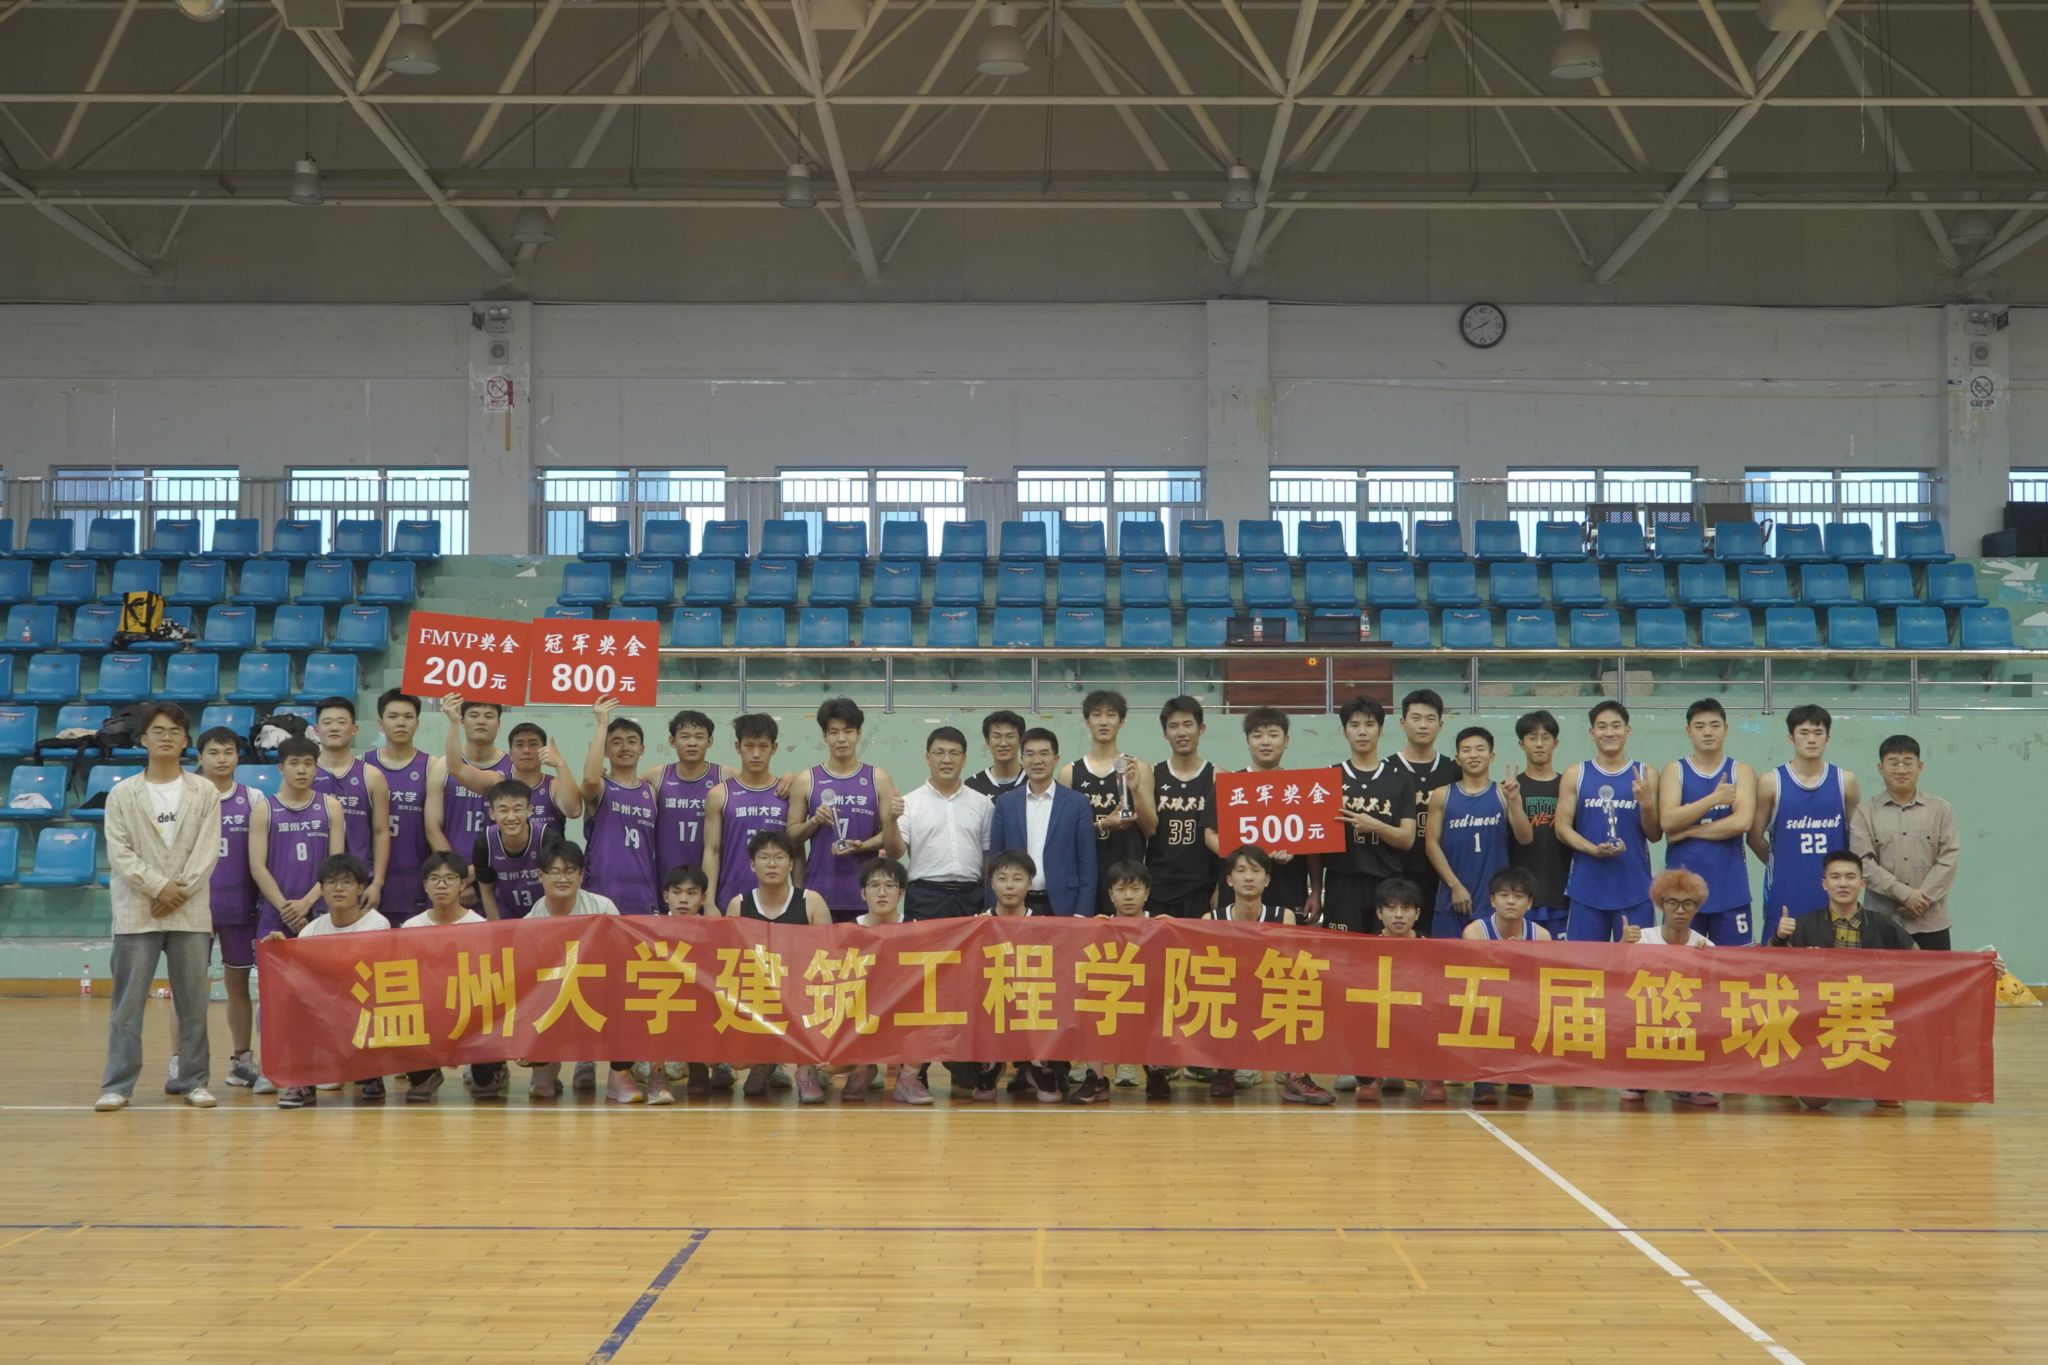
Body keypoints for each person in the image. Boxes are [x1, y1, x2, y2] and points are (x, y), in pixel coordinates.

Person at [96, 702, 223, 1114]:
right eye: (158, 731)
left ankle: (194, 1081)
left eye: (174, 731)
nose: (166, 737)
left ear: (185, 741)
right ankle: (117, 1085)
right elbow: (120, 853)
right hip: (137, 911)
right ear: (143, 739)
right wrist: (159, 887)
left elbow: (207, 851)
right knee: (127, 1007)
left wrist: (177, 891)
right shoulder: (122, 793)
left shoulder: (204, 791)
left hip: (190, 911)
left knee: (193, 1005)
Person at [1769, 849, 1915, 1112]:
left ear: (1863, 884)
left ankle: (1876, 1077)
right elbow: (1769, 971)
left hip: (1871, 1022)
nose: (1843, 883)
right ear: (1824, 884)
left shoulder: (1883, 926)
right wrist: (1779, 939)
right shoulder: (1803, 925)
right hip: (1821, 1024)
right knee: (1814, 1101)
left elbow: (1924, 965)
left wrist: (1982, 968)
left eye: (1850, 877)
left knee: (1890, 1100)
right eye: (1835, 877)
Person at [1208, 847, 1333, 1106]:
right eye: (1241, 871)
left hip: (1269, 992)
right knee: (1213, 993)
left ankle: (1296, 1076)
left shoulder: (1283, 916)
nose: (1248, 877)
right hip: (1230, 994)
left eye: (1255, 871)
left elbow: (1288, 967)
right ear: (1229, 879)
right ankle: (1225, 1066)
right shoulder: (1212, 920)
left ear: (1267, 880)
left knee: (1297, 993)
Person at [519, 841, 642, 1103]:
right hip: (553, 998)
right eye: (554, 872)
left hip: (598, 992)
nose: (562, 879)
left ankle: (619, 1076)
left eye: (570, 871)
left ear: (581, 874)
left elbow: (622, 958)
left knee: (632, 995)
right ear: (540, 876)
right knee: (529, 1003)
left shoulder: (603, 908)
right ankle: (544, 1070)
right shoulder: (530, 922)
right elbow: (526, 981)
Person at [269, 854, 389, 1110]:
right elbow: (299, 976)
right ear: (321, 890)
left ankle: (371, 1072)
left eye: (347, 882)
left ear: (360, 888)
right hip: (324, 1004)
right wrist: (283, 951)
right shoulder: (311, 930)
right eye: (331, 882)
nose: (338, 889)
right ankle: (302, 1081)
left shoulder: (377, 923)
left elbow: (365, 972)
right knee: (286, 1003)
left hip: (363, 1003)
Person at [726, 830, 835, 1105]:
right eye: (764, 857)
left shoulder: (811, 901)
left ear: (791, 863)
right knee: (735, 1060)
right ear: (752, 864)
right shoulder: (738, 905)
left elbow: (828, 959)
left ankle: (806, 1070)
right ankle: (766, 1060)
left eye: (779, 857)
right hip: (757, 995)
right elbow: (731, 963)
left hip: (804, 993)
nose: (772, 864)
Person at [787, 697, 903, 923]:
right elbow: (791, 836)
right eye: (834, 732)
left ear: (859, 733)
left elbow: (891, 842)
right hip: (819, 891)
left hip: (866, 894)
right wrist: (814, 821)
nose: (841, 739)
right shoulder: (807, 779)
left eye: (848, 731)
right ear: (825, 736)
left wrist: (863, 846)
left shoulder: (878, 778)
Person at [1557, 701, 1661, 943]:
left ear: (1628, 730)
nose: (1609, 732)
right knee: (1584, 962)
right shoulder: (1576, 774)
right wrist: (1592, 849)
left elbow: (1655, 834)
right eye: (1602, 726)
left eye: (1616, 726)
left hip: (1634, 889)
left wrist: (1647, 805)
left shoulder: (1647, 774)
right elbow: (1561, 828)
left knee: (1637, 961)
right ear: (1592, 732)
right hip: (1587, 889)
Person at [197, 725, 265, 1091]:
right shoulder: (188, 797)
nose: (221, 759)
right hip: (194, 909)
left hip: (240, 908)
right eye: (213, 752)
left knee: (238, 986)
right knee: (188, 988)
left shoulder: (253, 798)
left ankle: (241, 1060)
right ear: (200, 757)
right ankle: (181, 1062)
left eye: (228, 752)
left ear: (238, 757)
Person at [1750, 704, 1861, 926]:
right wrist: (1781, 864)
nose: (1811, 739)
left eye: (1818, 733)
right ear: (1791, 738)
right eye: (1804, 733)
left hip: (1833, 890)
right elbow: (1754, 837)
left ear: (1827, 738)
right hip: (1785, 888)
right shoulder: (1771, 781)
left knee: (1835, 947)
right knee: (1780, 945)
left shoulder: (1845, 781)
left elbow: (1858, 838)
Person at [400, 852, 498, 1102]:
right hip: (427, 1010)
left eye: (449, 878)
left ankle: (487, 1070)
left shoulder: (479, 926)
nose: (441, 885)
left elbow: (487, 980)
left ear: (463, 883)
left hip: (470, 1007)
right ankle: (426, 1073)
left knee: (485, 1087)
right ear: (425, 885)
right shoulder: (410, 928)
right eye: (434, 879)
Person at [1659, 698, 1757, 947]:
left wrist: (1688, 831)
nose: (1708, 732)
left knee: (1736, 965)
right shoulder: (1675, 770)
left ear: (1726, 729)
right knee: (1681, 964)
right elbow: (1668, 821)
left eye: (1714, 725)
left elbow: (1741, 823)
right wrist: (1714, 799)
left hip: (1730, 890)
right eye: (1700, 726)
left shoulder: (1741, 771)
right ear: (1688, 731)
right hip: (1682, 897)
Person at [1849, 735, 1961, 951]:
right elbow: (1862, 862)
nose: (1901, 769)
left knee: (1935, 974)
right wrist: (1905, 895)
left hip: (1931, 922)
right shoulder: (1865, 812)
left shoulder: (1941, 809)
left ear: (1920, 766)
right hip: (1881, 923)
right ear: (1880, 768)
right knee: (1881, 975)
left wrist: (1922, 899)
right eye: (1893, 763)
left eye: (1908, 763)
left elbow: (1949, 859)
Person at [1618, 868, 1718, 1107]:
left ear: (1697, 907)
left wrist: (1705, 963)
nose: (1680, 910)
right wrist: (1622, 946)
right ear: (1661, 905)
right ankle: (1637, 1078)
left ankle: (1688, 1084)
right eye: (1673, 902)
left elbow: (1712, 996)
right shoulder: (1640, 939)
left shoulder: (1705, 946)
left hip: (1684, 1017)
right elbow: (1613, 977)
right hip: (1646, 1015)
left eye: (1688, 903)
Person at [1324, 696, 1418, 936]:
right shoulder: (1328, 778)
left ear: (1380, 730)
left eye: (1369, 724)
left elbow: (1407, 839)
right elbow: (1316, 845)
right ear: (1344, 732)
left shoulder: (1400, 780)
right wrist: (1315, 890)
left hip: (1387, 884)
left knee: (1386, 952)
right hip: (1342, 883)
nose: (1362, 732)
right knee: (1342, 952)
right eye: (1354, 725)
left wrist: (1376, 826)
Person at [1060, 690, 1157, 913]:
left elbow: (1150, 828)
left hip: (1128, 879)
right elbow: (1065, 834)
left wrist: (1135, 791)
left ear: (1121, 721)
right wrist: (1103, 825)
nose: (1103, 722)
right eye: (1096, 715)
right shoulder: (1069, 773)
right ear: (1087, 721)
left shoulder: (1138, 768)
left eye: (1111, 715)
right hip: (1085, 876)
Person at [1425, 726, 1527, 940]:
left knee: (1492, 961)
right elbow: (1431, 844)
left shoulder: (1504, 793)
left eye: (1480, 749)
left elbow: (1525, 837)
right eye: (1466, 750)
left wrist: (1515, 802)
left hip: (1493, 903)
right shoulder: (1442, 795)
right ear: (1457, 759)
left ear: (1492, 756)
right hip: (1451, 900)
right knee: (1447, 960)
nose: (1473, 755)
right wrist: (1454, 885)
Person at [980, 850, 1064, 1104]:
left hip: (1032, 1003)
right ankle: (991, 1065)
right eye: (1002, 878)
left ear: (1030, 884)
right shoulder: (977, 924)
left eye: (1017, 879)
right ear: (991, 883)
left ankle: (1037, 1066)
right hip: (991, 1003)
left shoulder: (1044, 925)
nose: (1009, 886)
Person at [1460, 865, 1549, 1105]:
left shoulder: (1541, 936)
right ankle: (1483, 1076)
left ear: (1529, 903)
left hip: (1521, 1002)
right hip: (1485, 1001)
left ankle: (1516, 1071)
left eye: (1518, 896)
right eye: (1504, 895)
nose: (1511, 901)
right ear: (1492, 900)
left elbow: (1540, 982)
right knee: (1482, 1007)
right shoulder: (1475, 933)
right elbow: (1473, 980)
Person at [987, 727, 1096, 917]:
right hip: (1015, 904)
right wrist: (993, 910)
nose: (1037, 761)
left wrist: (1082, 912)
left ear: (1056, 758)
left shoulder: (1077, 803)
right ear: (1022, 759)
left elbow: (1087, 861)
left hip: (1064, 903)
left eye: (1044, 754)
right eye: (1030, 754)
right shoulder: (1005, 803)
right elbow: (995, 859)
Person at [249, 736, 346, 943]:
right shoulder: (263, 810)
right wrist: (287, 910)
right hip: (276, 909)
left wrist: (306, 903)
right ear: (281, 768)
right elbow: (257, 866)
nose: (301, 770)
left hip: (320, 907)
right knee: (274, 964)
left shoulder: (331, 807)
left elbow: (336, 864)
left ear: (316, 769)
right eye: (294, 763)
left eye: (308, 764)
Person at [1356, 879, 1443, 1104]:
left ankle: (1426, 1076)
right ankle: (1371, 1077)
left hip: (1419, 1020)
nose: (1399, 915)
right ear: (1379, 912)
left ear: (1417, 913)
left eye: (1406, 908)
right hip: (1379, 1020)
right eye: (1391, 908)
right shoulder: (1364, 948)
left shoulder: (1433, 947)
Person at [899, 726, 994, 922]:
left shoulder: (982, 803)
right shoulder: (909, 803)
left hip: (971, 897)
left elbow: (987, 856)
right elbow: (896, 851)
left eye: (954, 753)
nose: (947, 760)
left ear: (964, 759)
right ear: (927, 758)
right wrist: (890, 818)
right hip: (925, 897)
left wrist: (987, 898)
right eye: (939, 753)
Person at [1239, 706, 1319, 924]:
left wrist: (1315, 891)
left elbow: (1314, 846)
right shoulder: (1231, 786)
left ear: (1286, 741)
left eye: (1273, 735)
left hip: (1290, 887)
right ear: (1247, 741)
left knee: (1288, 944)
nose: (1265, 742)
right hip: (1242, 892)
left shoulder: (1302, 788)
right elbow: (1211, 835)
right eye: (1257, 736)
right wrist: (1252, 854)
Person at [311, 696, 392, 912]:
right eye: (327, 722)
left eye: (341, 722)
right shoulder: (303, 775)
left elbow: (381, 832)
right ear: (316, 730)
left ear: (354, 729)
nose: (334, 728)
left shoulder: (372, 776)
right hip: (313, 882)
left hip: (358, 883)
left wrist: (377, 883)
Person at [579, 697, 659, 915]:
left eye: (632, 741)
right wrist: (602, 723)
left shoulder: (651, 791)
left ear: (642, 748)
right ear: (605, 751)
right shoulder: (601, 786)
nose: (625, 747)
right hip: (601, 890)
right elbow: (589, 779)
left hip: (643, 892)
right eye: (616, 742)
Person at [701, 713, 789, 909]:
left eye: (763, 746)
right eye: (749, 746)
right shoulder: (719, 794)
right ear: (737, 746)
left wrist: (799, 898)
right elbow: (712, 851)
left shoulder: (787, 793)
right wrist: (709, 903)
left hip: (779, 902)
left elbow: (796, 852)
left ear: (774, 748)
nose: (756, 754)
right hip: (730, 897)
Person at [443, 709, 581, 831]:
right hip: (503, 853)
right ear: (510, 754)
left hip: (547, 853)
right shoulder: (498, 781)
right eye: (519, 745)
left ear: (544, 750)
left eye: (533, 744)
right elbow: (456, 768)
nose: (526, 750)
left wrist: (560, 765)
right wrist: (454, 722)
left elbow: (574, 811)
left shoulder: (554, 785)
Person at [1147, 696, 1220, 919]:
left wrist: (1221, 886)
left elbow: (1225, 838)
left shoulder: (1218, 776)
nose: (1181, 732)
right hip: (1158, 886)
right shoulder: (1152, 774)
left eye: (1188, 724)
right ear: (1164, 733)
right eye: (1174, 726)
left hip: (1203, 887)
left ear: (1201, 729)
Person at [365, 689, 432, 925]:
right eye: (393, 716)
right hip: (369, 880)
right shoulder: (362, 766)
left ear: (418, 723)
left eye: (408, 716)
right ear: (380, 723)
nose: (401, 723)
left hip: (415, 879)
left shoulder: (431, 767)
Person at [1390, 689, 1456, 925]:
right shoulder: (1386, 770)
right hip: (1397, 875)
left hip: (1443, 877)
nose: (1423, 725)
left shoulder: (1454, 770)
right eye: (1415, 718)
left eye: (1430, 719)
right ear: (1402, 722)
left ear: (1440, 725)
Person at [1507, 710, 1572, 940]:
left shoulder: (1568, 786)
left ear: (1556, 743)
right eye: (1532, 738)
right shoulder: (1509, 789)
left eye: (1545, 737)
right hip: (1521, 895)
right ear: (1521, 743)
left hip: (1562, 893)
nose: (1539, 744)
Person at [425, 698, 513, 854]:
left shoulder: (512, 768)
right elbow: (432, 828)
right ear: (462, 721)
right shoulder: (441, 767)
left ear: (498, 723)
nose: (481, 721)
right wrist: (452, 865)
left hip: (498, 864)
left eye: (489, 716)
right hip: (453, 864)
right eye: (474, 715)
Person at [1099, 861, 1151, 1093]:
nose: (1128, 896)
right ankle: (1094, 1064)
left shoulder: (1162, 925)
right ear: (1111, 895)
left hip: (1148, 996)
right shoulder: (1100, 926)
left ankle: (1148, 1066)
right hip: (1111, 997)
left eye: (1135, 889)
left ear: (1147, 893)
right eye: (1121, 890)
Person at [654, 710, 721, 885]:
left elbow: (758, 783)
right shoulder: (657, 776)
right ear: (672, 741)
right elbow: (626, 785)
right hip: (666, 878)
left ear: (710, 741)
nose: (692, 743)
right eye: (685, 737)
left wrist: (787, 779)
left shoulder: (724, 776)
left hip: (709, 877)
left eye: (699, 737)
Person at [472, 779, 548, 921]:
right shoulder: (485, 843)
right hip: (507, 917)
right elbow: (486, 891)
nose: (511, 817)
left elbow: (556, 884)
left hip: (543, 917)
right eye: (503, 811)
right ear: (492, 813)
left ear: (529, 810)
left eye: (517, 809)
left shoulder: (546, 837)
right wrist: (497, 928)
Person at [964, 710, 1028, 799]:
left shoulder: (1033, 780)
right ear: (987, 741)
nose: (1003, 743)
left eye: (1010, 736)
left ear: (1021, 740)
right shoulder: (973, 785)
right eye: (996, 737)